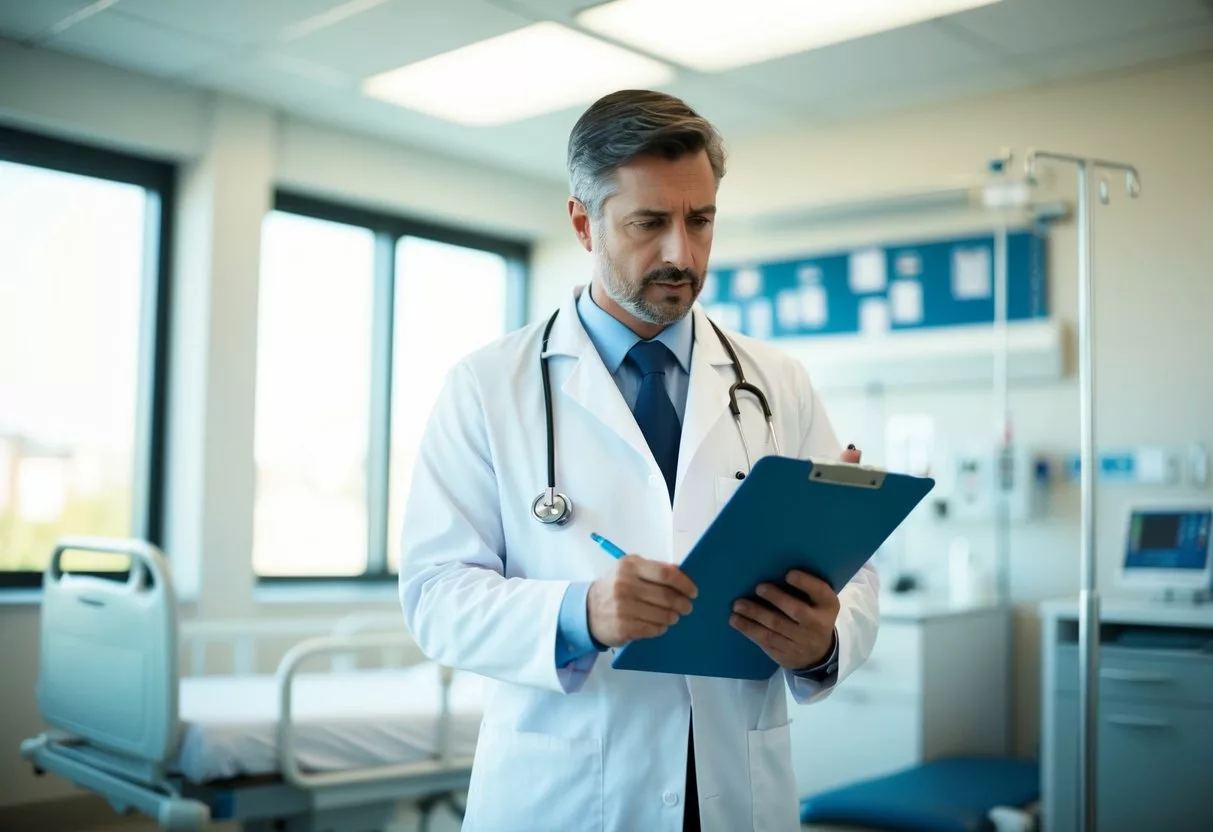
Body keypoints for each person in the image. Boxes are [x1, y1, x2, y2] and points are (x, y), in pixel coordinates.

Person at [398, 89, 879, 832]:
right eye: (649, 222)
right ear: (583, 222)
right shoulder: (490, 385)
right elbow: (434, 595)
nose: (680, 254)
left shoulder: (775, 383)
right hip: (566, 789)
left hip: (730, 784)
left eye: (700, 220)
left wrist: (822, 641)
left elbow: (856, 576)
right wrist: (579, 611)